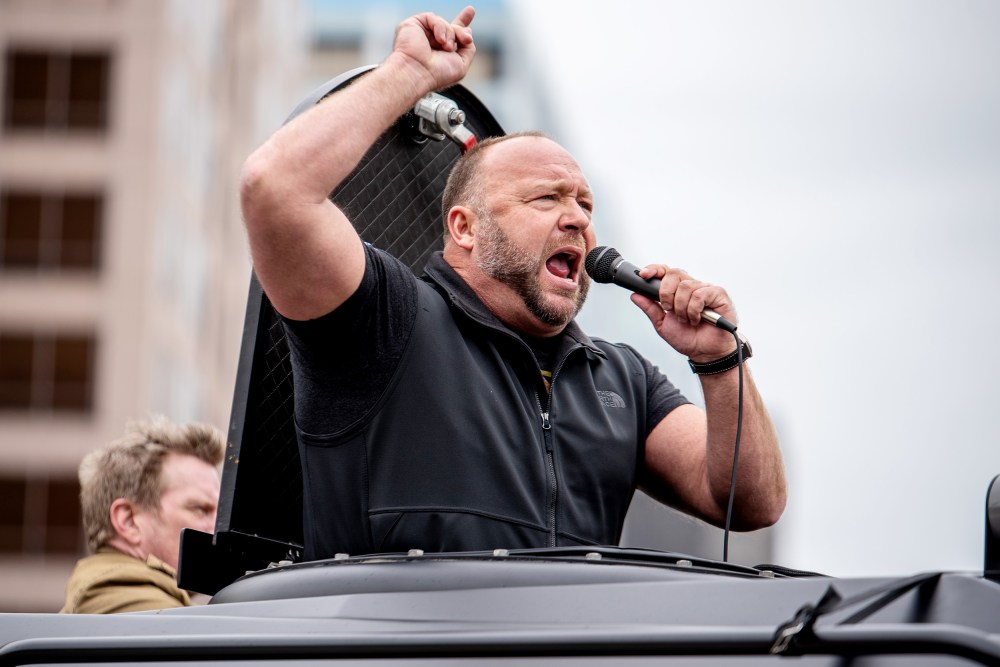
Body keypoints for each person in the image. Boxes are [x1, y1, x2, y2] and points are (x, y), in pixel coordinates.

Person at [239, 6, 786, 560]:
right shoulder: (385, 318)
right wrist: (409, 72)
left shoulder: (624, 380)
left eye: (584, 204)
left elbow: (752, 504)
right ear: (466, 228)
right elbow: (273, 188)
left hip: (555, 648)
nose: (577, 218)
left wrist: (722, 362)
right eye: (546, 198)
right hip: (395, 646)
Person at [60, 417, 225, 614]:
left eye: (220, 512)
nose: (219, 527)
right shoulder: (117, 590)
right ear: (128, 521)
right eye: (201, 509)